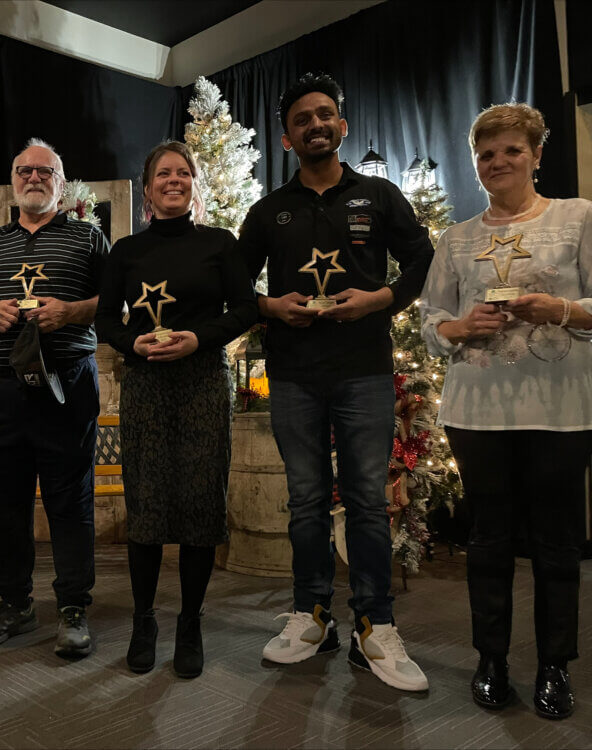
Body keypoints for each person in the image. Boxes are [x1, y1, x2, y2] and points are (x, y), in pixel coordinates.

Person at [236, 72, 433, 691]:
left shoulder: (378, 196)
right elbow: (234, 285)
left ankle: (375, 626)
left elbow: (423, 259)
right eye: (302, 119)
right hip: (292, 376)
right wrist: (269, 307)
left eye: (325, 115)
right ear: (288, 136)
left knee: (369, 504)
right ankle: (311, 614)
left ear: (341, 126)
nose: (315, 125)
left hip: (365, 373)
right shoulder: (269, 211)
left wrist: (383, 300)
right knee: (306, 502)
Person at [420, 103, 592, 719]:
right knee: (488, 541)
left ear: (537, 154)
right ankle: (490, 659)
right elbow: (430, 318)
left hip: (560, 409)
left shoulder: (578, 218)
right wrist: (461, 326)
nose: (498, 163)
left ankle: (554, 665)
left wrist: (562, 312)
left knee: (556, 543)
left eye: (512, 150)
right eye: (487, 154)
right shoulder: (457, 237)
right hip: (477, 411)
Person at [95, 141, 258, 678]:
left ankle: (190, 622)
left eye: (183, 173)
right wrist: (131, 344)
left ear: (194, 185)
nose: (174, 180)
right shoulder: (125, 250)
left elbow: (245, 310)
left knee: (197, 507)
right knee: (146, 508)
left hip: (202, 385)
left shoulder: (219, 244)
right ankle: (145, 621)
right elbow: (106, 321)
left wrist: (198, 340)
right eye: (163, 172)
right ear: (147, 188)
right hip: (145, 388)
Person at [0, 138, 108, 659]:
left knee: (70, 500)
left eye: (45, 171)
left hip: (69, 384)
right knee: (6, 504)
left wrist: (71, 312)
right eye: (25, 171)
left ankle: (72, 608)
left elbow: (115, 303)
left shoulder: (89, 237)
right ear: (13, 181)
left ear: (60, 184)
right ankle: (15, 604)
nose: (34, 178)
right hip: (2, 387)